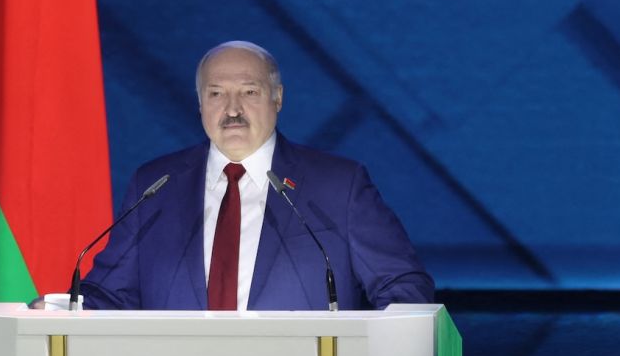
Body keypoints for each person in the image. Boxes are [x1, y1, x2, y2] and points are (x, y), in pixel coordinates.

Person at [79, 40, 434, 311]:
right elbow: (108, 292)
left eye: (249, 92)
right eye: (216, 94)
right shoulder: (156, 185)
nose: (232, 109)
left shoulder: (340, 185)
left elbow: (402, 287)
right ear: (200, 103)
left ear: (277, 98)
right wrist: (60, 311)